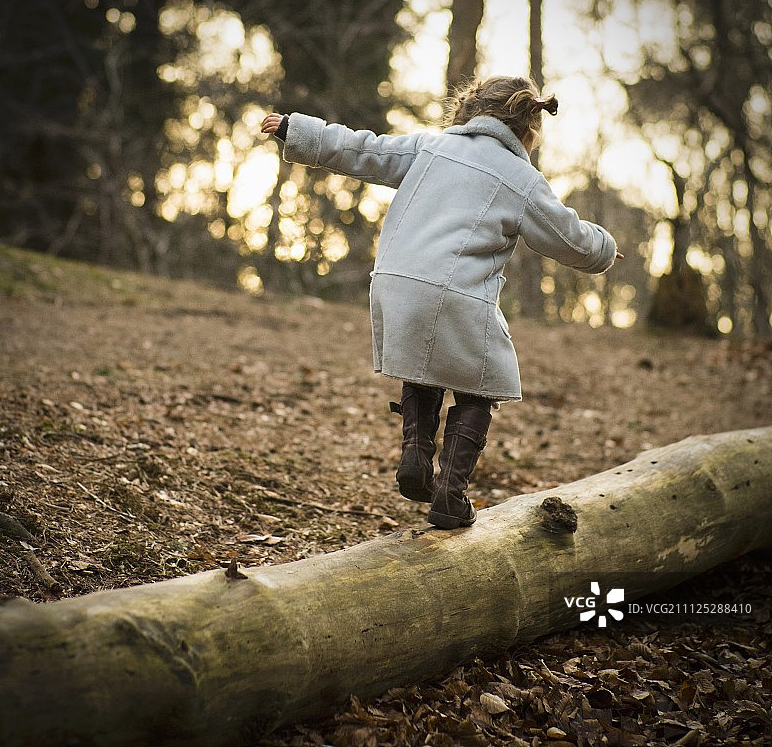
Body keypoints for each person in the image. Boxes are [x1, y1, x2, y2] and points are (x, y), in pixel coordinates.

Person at [261, 75, 621, 530]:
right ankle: (451, 494)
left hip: (395, 283)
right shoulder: (521, 177)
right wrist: (605, 247)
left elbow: (362, 149)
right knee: (482, 383)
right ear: (527, 128)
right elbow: (570, 238)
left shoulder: (429, 148)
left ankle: (415, 455)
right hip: (455, 292)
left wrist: (298, 130)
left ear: (471, 112)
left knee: (424, 365)